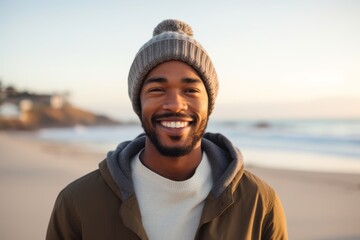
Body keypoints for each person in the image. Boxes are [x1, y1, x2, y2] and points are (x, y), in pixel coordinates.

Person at [46, 19, 288, 240]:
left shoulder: (259, 202)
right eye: (157, 90)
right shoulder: (78, 202)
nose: (174, 104)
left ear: (209, 103)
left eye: (190, 90)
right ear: (138, 104)